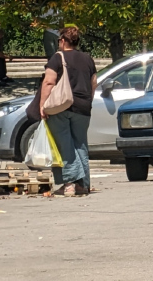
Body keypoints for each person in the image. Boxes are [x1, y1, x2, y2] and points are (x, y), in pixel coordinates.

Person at [37, 25, 98, 196]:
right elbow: (94, 83)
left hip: (61, 107)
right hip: (83, 108)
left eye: (58, 41)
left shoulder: (58, 57)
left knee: (64, 145)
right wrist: (87, 101)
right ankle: (83, 185)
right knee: (80, 145)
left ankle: (69, 184)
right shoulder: (88, 59)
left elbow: (49, 82)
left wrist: (42, 105)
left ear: (63, 41)